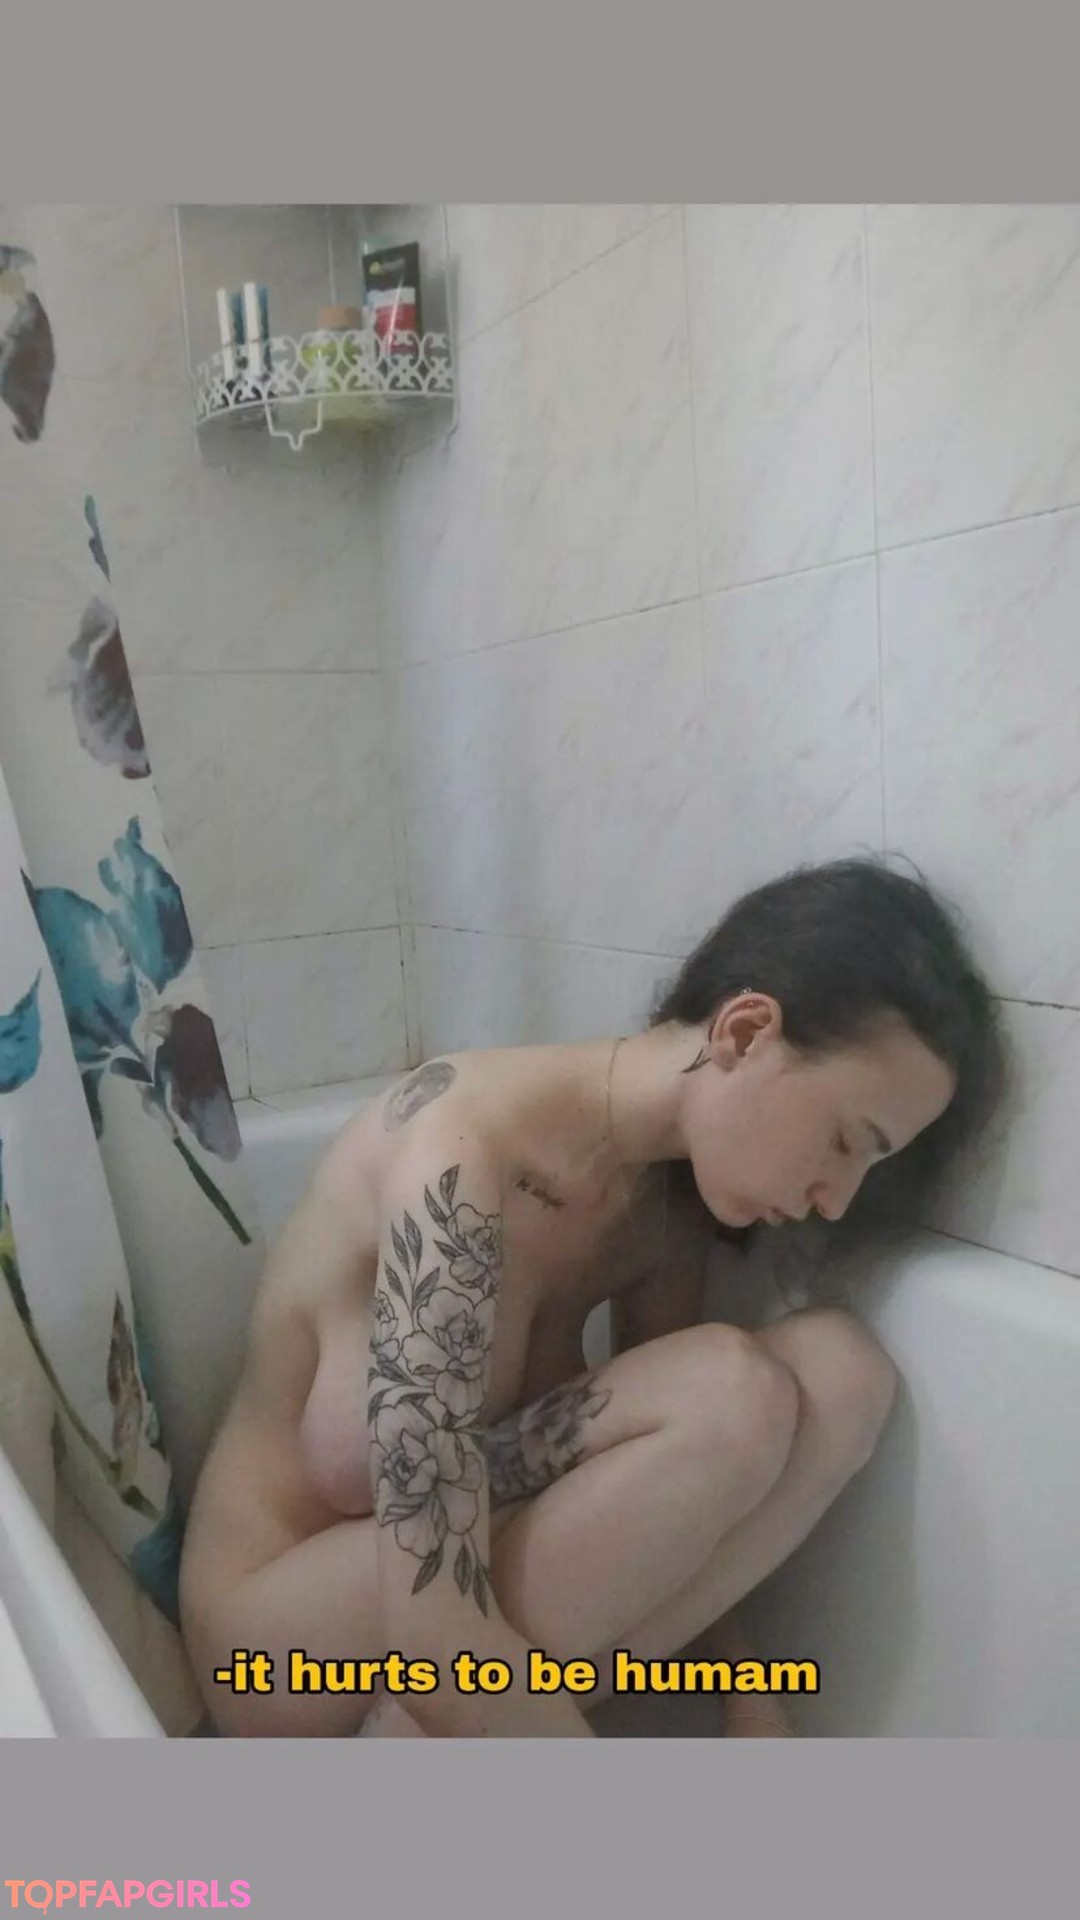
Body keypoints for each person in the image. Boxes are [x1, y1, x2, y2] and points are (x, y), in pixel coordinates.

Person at [178, 854, 1007, 1737]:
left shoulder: (665, 1208)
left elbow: (695, 1507)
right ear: (743, 1033)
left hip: (436, 1624)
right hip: (282, 1646)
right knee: (729, 1391)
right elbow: (430, 1624)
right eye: (846, 1140)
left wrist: (750, 1698)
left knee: (841, 1374)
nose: (836, 1201)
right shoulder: (455, 1157)